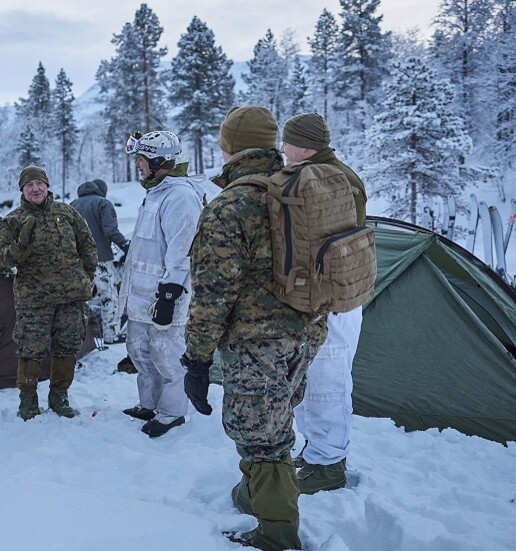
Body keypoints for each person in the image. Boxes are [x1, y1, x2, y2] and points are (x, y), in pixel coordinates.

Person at [182, 106, 328, 551]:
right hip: (306, 332)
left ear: (228, 148)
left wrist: (197, 358)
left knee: (263, 437)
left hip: (256, 342)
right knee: (269, 420)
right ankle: (254, 494)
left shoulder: (231, 205)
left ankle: (278, 531)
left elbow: (212, 294)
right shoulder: (301, 190)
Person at [281, 112, 367, 495]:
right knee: (313, 379)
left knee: (327, 382)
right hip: (329, 296)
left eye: (287, 142)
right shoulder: (330, 173)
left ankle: (329, 464)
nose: (282, 149)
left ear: (304, 145)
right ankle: (317, 451)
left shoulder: (329, 179)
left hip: (332, 299)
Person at [0, 166, 97, 420]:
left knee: (67, 347)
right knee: (30, 350)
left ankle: (59, 397)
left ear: (47, 186)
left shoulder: (67, 212)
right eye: (29, 185)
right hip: (34, 300)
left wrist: (85, 278)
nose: (35, 189)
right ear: (22, 190)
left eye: (39, 183)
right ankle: (28, 401)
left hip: (70, 298)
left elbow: (88, 246)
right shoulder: (13, 221)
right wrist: (20, 246)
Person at [118, 130, 203, 438]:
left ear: (158, 161)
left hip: (164, 297)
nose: (137, 165)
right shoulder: (156, 192)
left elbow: (182, 251)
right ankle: (150, 404)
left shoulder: (180, 196)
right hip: (141, 297)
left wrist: (170, 294)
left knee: (167, 356)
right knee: (140, 350)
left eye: (141, 160)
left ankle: (173, 412)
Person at [70, 178, 129, 344]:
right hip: (100, 259)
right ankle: (111, 334)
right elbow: (110, 230)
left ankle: (79, 338)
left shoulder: (73, 204)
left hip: (76, 261)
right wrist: (126, 246)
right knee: (109, 296)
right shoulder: (103, 203)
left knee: (80, 299)